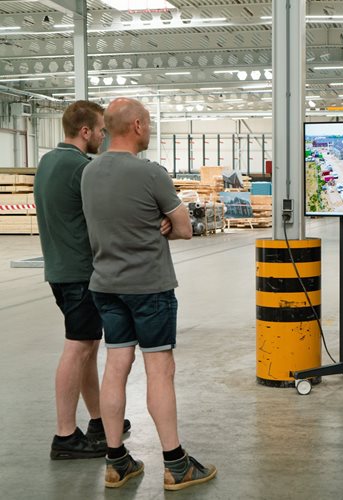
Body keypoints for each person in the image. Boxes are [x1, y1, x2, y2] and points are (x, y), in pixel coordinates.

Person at [81, 98, 216, 490]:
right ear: (137, 125)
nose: (151, 129)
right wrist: (161, 224)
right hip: (149, 287)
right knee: (160, 370)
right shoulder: (150, 174)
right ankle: (177, 464)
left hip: (106, 285)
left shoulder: (88, 173)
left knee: (116, 367)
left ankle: (116, 461)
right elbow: (186, 228)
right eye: (150, 123)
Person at [35, 100, 131, 459]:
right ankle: (64, 436)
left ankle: (97, 421)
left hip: (59, 270)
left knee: (88, 347)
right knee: (77, 348)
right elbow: (104, 217)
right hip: (79, 274)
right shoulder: (80, 168)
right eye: (101, 131)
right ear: (86, 131)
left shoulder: (47, 162)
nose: (104, 138)